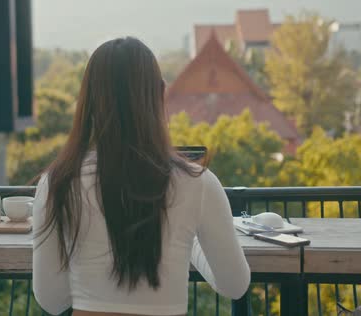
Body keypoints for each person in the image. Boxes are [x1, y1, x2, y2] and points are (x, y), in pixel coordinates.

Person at [32, 37, 250, 316]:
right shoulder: (199, 183)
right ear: (159, 95)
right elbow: (234, 285)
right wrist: (191, 243)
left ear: (88, 100)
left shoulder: (57, 183)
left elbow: (51, 300)